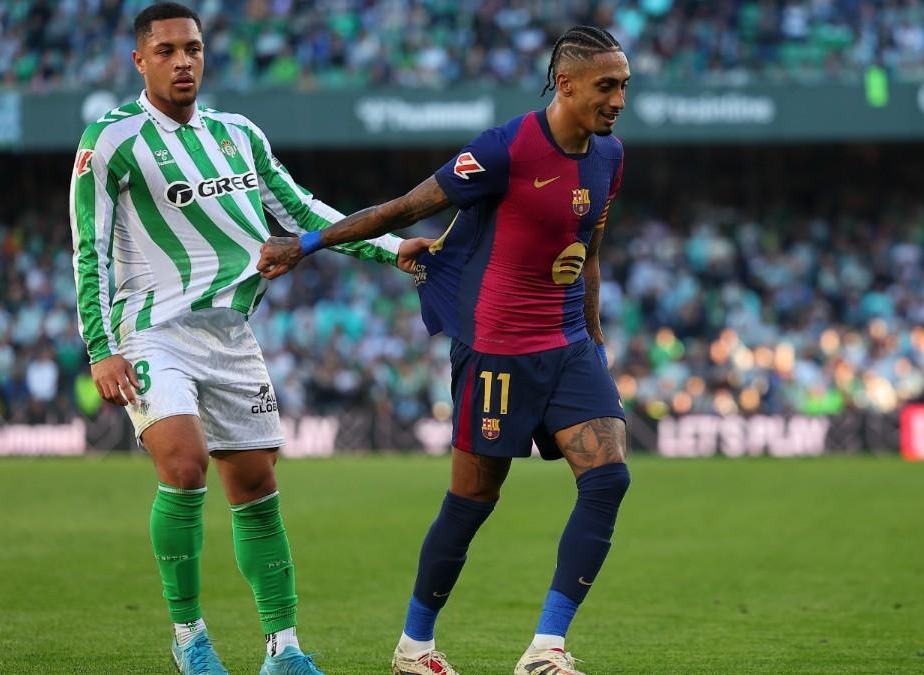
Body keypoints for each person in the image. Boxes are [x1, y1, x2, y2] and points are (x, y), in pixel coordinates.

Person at [257, 26, 631, 675]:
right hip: (497, 351)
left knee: (608, 478)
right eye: (607, 86)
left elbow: (589, 252)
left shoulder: (610, 156)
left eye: (624, 86)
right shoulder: (504, 148)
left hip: (568, 343)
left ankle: (545, 648)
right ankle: (415, 646)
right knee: (473, 501)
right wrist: (307, 243)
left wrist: (596, 342)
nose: (619, 100)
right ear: (565, 83)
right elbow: (406, 208)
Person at [69, 4, 429, 674]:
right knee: (184, 464)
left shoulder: (239, 134)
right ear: (140, 61)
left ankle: (283, 649)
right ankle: (189, 636)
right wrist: (100, 346)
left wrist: (391, 248)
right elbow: (88, 248)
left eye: (193, 48)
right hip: (150, 331)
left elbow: (302, 210)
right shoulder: (111, 140)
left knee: (257, 485)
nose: (183, 61)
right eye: (167, 50)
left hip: (231, 333)